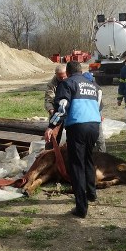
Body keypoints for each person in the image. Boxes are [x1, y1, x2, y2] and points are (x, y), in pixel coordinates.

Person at [45, 61, 101, 218]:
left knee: (76, 165)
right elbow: (100, 104)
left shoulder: (67, 83)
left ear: (68, 73)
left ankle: (81, 208)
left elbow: (62, 108)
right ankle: (91, 193)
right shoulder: (91, 84)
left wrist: (51, 126)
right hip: (94, 126)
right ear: (81, 70)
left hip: (78, 127)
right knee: (89, 159)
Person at [43, 64, 68, 150]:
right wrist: (51, 110)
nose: (63, 79)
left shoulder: (71, 81)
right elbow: (48, 99)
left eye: (64, 77)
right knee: (52, 136)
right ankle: (49, 153)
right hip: (57, 112)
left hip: (68, 111)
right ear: (56, 75)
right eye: (60, 78)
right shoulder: (51, 84)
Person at [83, 71, 106, 152]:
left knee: (98, 134)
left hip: (95, 112)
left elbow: (97, 104)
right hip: (88, 112)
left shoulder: (97, 89)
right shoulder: (84, 87)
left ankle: (102, 153)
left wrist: (98, 115)